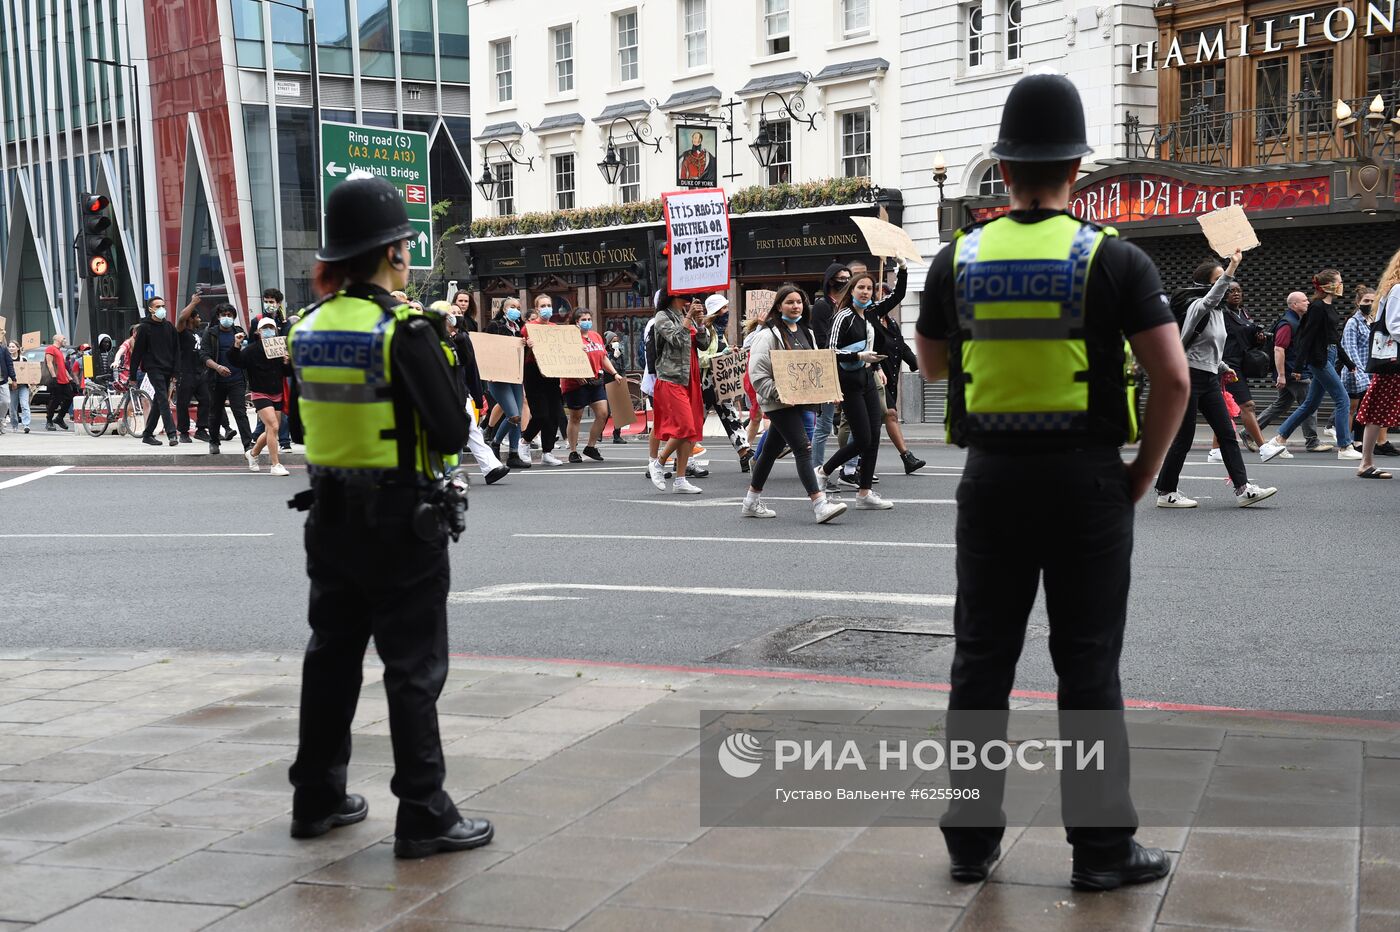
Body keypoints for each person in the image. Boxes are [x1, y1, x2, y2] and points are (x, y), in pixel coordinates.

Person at [916, 73, 1190, 891]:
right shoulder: (1117, 259)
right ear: (1077, 166)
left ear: (1002, 171)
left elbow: (932, 365)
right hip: (1086, 484)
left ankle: (969, 844)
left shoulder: (956, 256)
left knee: (980, 661)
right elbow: (1173, 379)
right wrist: (1141, 472)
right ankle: (1101, 852)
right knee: (1088, 665)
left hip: (992, 480)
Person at [285, 171, 490, 859]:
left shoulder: (305, 328)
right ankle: (425, 812)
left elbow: (297, 424)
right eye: (403, 243)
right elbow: (453, 430)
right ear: (393, 252)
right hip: (402, 521)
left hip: (329, 517)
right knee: (412, 667)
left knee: (331, 658)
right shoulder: (403, 328)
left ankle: (315, 796)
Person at [1154, 254, 1278, 508]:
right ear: (1206, 285)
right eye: (1220, 279)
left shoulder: (1219, 313)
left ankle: (1243, 489)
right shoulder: (1198, 306)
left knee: (1227, 434)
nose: (1228, 285)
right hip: (1186, 377)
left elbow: (1209, 349)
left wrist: (1222, 368)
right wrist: (1233, 266)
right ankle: (1166, 492)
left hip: (1209, 378)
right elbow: (1211, 299)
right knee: (1183, 438)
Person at [744, 286, 848, 523]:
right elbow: (758, 375)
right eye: (790, 302)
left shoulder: (806, 332)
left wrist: (827, 392)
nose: (796, 306)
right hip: (779, 404)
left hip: (799, 403)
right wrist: (780, 394)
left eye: (799, 302)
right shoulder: (767, 335)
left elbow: (812, 370)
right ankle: (819, 504)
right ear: (779, 306)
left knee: (769, 451)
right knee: (803, 448)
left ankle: (750, 500)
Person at [817, 268, 903, 510]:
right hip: (848, 382)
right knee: (863, 438)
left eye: (869, 288)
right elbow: (829, 351)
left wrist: (902, 269)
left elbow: (898, 295)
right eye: (861, 288)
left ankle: (865, 493)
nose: (865, 292)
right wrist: (858, 354)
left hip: (866, 378)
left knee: (874, 436)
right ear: (851, 290)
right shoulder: (843, 316)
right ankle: (824, 470)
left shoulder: (868, 316)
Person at [1260, 270, 1363, 462]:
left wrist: (1348, 363)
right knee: (1343, 400)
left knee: (1310, 404)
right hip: (1319, 359)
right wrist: (1298, 367)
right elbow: (1306, 339)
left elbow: (1333, 339)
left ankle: (1279, 439)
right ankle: (1344, 446)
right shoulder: (1317, 307)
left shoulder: (1330, 307)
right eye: (1338, 282)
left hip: (1329, 355)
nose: (1341, 285)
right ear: (1327, 286)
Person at [434, 300, 508, 484]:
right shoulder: (431, 340)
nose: (454, 316)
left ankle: (490, 466)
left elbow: (469, 368)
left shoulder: (461, 338)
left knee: (472, 429)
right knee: (452, 433)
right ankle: (446, 473)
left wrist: (477, 395)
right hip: (440, 395)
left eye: (457, 313)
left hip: (460, 393)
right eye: (450, 313)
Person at [647, 289, 706, 493]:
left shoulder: (684, 314)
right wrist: (689, 317)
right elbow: (678, 340)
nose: (690, 298)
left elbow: (704, 344)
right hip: (671, 377)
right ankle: (659, 462)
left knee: (691, 431)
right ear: (674, 295)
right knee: (685, 427)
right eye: (686, 294)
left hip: (690, 377)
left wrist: (700, 322)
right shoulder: (662, 316)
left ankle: (680, 480)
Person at [1253, 291, 1322, 454]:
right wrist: (1282, 375)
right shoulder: (1288, 323)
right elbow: (1279, 349)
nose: (1308, 303)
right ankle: (1312, 441)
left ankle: (1249, 432)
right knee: (1309, 404)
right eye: (1305, 301)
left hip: (1292, 371)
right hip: (1293, 373)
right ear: (1294, 305)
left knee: (1280, 405)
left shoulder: (1297, 320)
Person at [1355, 250, 1400, 478]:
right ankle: (1365, 463)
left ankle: (1366, 462)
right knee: (1377, 410)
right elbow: (1393, 325)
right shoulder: (1398, 290)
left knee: (1377, 409)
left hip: (1392, 362)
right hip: (1393, 362)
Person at [696, 294, 753, 470]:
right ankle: (683, 458)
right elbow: (700, 360)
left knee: (730, 416)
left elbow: (722, 351)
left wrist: (729, 350)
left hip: (720, 383)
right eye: (724, 309)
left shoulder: (720, 332)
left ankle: (744, 453)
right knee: (697, 421)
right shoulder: (705, 331)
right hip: (706, 384)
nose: (727, 312)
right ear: (716, 312)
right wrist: (723, 355)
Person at [230, 317, 291, 476]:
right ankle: (275, 464)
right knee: (273, 426)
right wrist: (236, 345)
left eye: (271, 328)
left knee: (272, 429)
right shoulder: (251, 350)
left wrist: (287, 362)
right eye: (265, 328)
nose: (268, 331)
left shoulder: (279, 349)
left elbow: (287, 372)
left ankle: (253, 453)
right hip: (260, 393)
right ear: (258, 331)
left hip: (277, 392)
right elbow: (236, 362)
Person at [1215, 282, 1268, 456]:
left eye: (1238, 291)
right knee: (1247, 405)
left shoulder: (1243, 313)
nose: (1235, 294)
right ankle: (1264, 447)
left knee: (1224, 409)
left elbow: (1246, 340)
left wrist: (1258, 339)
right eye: (1231, 291)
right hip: (1228, 364)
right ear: (1223, 294)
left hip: (1241, 362)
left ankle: (1215, 450)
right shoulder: (1220, 314)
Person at [873, 308, 926, 473]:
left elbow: (901, 346)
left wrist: (916, 363)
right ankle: (906, 456)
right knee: (890, 414)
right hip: (874, 376)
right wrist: (877, 367)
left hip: (890, 378)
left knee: (877, 421)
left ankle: (857, 465)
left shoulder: (892, 323)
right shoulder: (870, 322)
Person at [561, 309, 617, 462]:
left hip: (595, 380)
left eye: (588, 318)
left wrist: (614, 373)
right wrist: (575, 374)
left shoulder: (596, 336)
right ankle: (573, 451)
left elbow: (603, 357)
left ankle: (590, 446)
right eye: (583, 319)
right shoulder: (570, 338)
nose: (587, 321)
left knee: (603, 413)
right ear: (576, 322)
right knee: (575, 417)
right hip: (576, 383)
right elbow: (563, 360)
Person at [810, 263, 852, 463]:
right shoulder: (822, 306)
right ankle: (817, 468)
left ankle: (851, 467)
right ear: (830, 280)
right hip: (828, 368)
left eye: (847, 278)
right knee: (825, 424)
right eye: (840, 277)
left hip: (849, 368)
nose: (844, 281)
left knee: (855, 421)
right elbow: (821, 340)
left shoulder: (847, 306)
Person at [198, 304, 254, 455]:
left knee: (240, 412)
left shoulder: (239, 333)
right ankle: (214, 441)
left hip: (237, 379)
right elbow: (204, 356)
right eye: (224, 315)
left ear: (234, 317)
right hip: (216, 380)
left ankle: (248, 445)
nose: (227, 318)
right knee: (215, 413)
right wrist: (217, 367)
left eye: (230, 315)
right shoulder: (210, 333)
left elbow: (247, 352)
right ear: (218, 317)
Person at [485, 298, 530, 469]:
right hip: (498, 377)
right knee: (514, 415)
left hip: (516, 376)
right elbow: (487, 349)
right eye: (512, 307)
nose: (516, 310)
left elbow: (522, 356)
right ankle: (495, 443)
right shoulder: (495, 326)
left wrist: (528, 345)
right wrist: (489, 371)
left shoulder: (521, 329)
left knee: (517, 416)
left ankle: (513, 453)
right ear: (504, 309)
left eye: (519, 307)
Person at [519, 294, 564, 466]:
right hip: (534, 373)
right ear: (537, 309)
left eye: (549, 305)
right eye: (543, 305)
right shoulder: (528, 328)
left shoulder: (554, 327)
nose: (547, 308)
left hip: (551, 373)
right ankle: (524, 441)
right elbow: (519, 351)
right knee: (541, 414)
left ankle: (547, 451)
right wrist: (526, 345)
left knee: (554, 414)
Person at [129, 297, 181, 445]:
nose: (161, 309)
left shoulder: (169, 327)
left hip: (168, 368)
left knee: (159, 401)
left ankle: (147, 434)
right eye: (158, 306)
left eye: (163, 306)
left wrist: (176, 372)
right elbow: (137, 353)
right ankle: (172, 433)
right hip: (153, 368)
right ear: (151, 309)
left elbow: (176, 350)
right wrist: (132, 376)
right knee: (163, 398)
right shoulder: (144, 328)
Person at [174, 292, 212, 443]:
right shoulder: (182, 331)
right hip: (185, 372)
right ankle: (183, 432)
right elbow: (181, 317)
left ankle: (201, 429)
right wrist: (193, 303)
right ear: (191, 318)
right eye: (197, 317)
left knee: (206, 400)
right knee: (183, 402)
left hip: (199, 372)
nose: (199, 320)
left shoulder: (196, 334)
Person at [1341, 286, 1376, 447]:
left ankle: (1358, 441)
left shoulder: (1372, 321)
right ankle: (1346, 443)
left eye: (1372, 301)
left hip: (1370, 371)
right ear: (1358, 302)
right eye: (1366, 300)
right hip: (1354, 372)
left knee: (1364, 409)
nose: (1369, 304)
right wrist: (1360, 372)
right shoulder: (1352, 323)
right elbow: (1350, 349)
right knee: (1352, 408)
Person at [42, 334, 75, 431]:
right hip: (56, 380)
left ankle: (59, 418)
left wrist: (70, 378)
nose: (65, 340)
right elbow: (49, 363)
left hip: (64, 380)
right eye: (63, 338)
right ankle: (49, 421)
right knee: (54, 401)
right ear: (57, 339)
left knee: (69, 398)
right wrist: (53, 377)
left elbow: (62, 367)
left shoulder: (59, 351)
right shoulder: (50, 349)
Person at [603, 329, 629, 444]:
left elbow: (622, 368)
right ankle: (599, 432)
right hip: (607, 382)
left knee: (620, 410)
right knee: (606, 411)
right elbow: (608, 368)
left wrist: (624, 379)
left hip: (618, 382)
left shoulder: (620, 353)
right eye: (613, 341)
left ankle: (617, 435)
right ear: (608, 342)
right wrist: (613, 357)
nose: (615, 343)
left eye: (617, 340)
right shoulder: (605, 354)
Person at [6, 341, 30, 433]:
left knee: (24, 405)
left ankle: (26, 425)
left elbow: (28, 371)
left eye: (13, 346)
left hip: (23, 386)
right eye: (10, 347)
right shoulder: (7, 359)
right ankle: (14, 425)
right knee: (12, 408)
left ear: (18, 348)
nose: (11, 348)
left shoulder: (23, 359)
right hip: (11, 387)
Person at [0, 339, 14, 434]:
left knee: (6, 401)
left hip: (2, 380)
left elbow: (9, 364)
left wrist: (14, 378)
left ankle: (1, 419)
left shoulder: (3, 349)